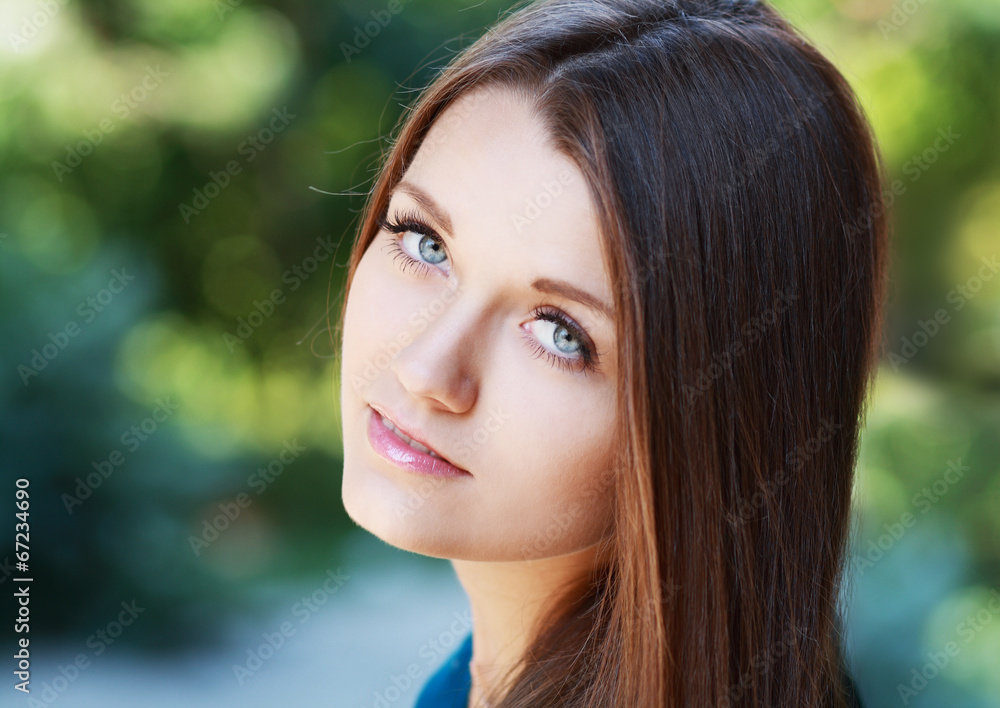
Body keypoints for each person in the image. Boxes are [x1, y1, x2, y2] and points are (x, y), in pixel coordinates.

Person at [336, 0, 888, 705]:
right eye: (425, 244)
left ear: (716, 410)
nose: (425, 369)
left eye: (560, 332)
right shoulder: (474, 678)